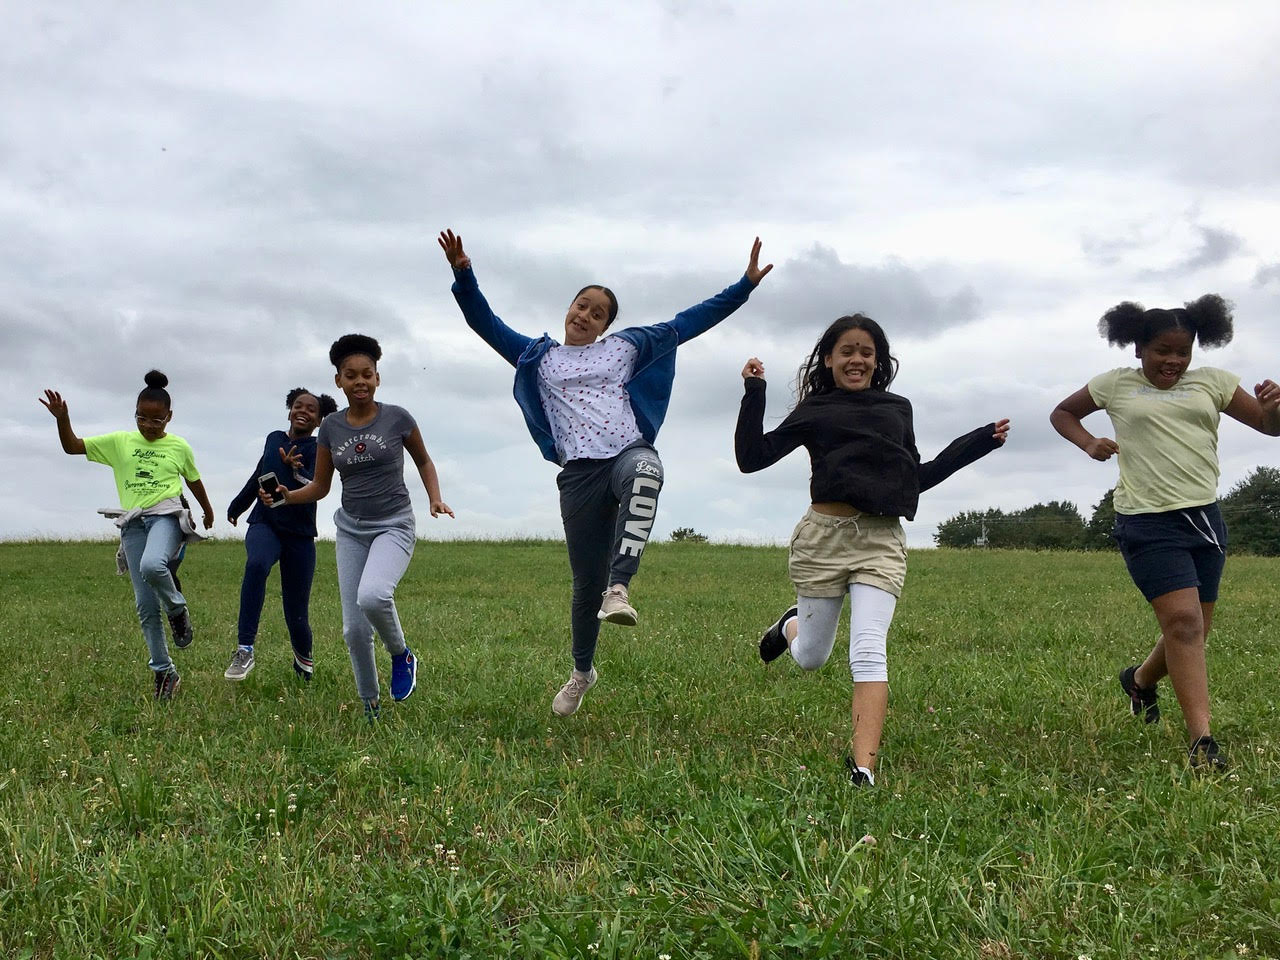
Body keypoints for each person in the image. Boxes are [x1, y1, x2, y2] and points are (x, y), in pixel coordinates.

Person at [439, 228, 772, 717]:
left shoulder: (625, 349)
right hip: (578, 476)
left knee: (646, 471)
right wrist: (463, 273)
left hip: (624, 454)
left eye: (598, 313)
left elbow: (691, 321)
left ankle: (621, 589)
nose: (585, 315)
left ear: (605, 326)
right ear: (569, 308)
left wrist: (743, 285)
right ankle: (581, 672)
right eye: (581, 305)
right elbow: (484, 323)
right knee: (582, 585)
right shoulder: (539, 356)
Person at [735, 316, 1008, 785]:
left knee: (868, 647)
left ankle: (863, 768)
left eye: (866, 351)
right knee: (812, 658)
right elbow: (751, 458)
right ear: (829, 359)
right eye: (846, 351)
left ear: (878, 361)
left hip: (881, 542)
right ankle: (791, 626)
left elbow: (915, 478)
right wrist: (754, 393)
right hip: (823, 539)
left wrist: (975, 444)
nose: (856, 359)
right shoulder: (815, 409)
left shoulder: (897, 409)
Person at [1050, 295, 1280, 770]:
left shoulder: (1215, 383)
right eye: (1162, 350)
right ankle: (1202, 742)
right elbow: (1062, 413)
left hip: (1205, 520)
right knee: (1184, 623)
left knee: (1196, 627)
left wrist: (1273, 408)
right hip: (1146, 521)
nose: (1173, 361)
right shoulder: (1114, 385)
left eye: (1183, 351)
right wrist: (1089, 441)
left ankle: (1139, 679)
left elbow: (1267, 427)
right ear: (1137, 348)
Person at [262, 335, 452, 718]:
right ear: (339, 381)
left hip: (393, 524)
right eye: (351, 375)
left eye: (367, 374)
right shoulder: (330, 426)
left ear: (378, 378)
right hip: (351, 529)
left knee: (374, 596)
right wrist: (285, 494)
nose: (360, 381)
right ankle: (370, 705)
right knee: (353, 630)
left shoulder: (397, 417)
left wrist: (434, 497)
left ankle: (401, 654)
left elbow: (424, 461)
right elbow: (320, 486)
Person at [40, 370, 215, 700]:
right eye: (142, 418)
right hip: (132, 523)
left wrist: (207, 509)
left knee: (153, 566)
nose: (149, 426)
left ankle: (177, 610)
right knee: (145, 605)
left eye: (157, 420)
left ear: (169, 418)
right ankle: (164, 673)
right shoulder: (120, 442)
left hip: (165, 515)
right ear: (134, 414)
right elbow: (72, 446)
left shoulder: (178, 446)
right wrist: (62, 419)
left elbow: (193, 479)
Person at [225, 387, 339, 682]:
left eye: (311, 410)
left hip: (300, 534)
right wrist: (237, 506)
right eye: (298, 406)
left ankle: (304, 666)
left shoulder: (318, 448)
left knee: (296, 611)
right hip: (266, 523)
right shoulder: (274, 439)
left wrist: (295, 469)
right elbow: (260, 473)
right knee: (257, 564)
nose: (303, 411)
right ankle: (244, 650)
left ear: (319, 421)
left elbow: (316, 484)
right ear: (289, 410)